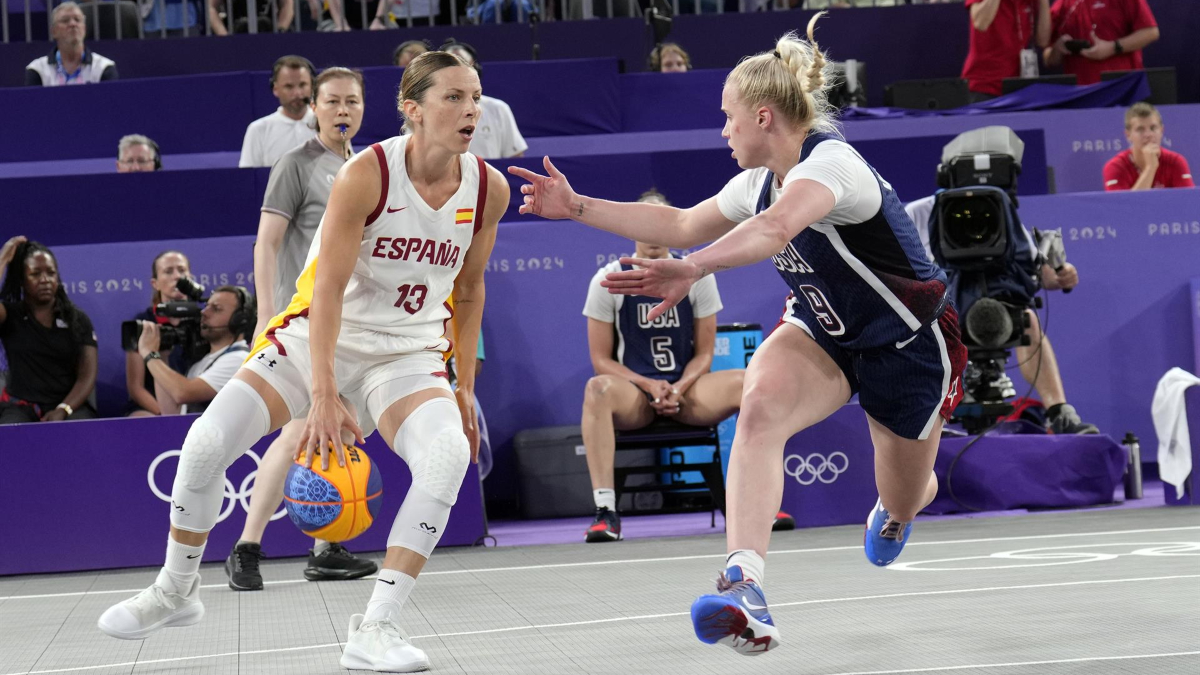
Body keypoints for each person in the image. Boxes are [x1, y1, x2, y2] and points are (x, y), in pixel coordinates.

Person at [510, 13, 967, 654]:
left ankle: (900, 510)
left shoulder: (832, 164)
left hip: (906, 346)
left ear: (762, 118)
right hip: (821, 331)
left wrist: (694, 268)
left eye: (727, 116)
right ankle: (743, 584)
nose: (722, 130)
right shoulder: (753, 183)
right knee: (757, 410)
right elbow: (682, 222)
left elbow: (776, 230)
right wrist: (578, 206)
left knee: (904, 493)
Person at [99, 50, 509, 675]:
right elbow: (325, 292)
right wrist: (321, 393)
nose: (471, 110)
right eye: (453, 97)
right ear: (412, 110)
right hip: (318, 335)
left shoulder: (488, 188)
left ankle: (376, 627)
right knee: (207, 443)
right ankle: (175, 590)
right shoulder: (366, 175)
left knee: (448, 455)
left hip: (407, 354)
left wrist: (462, 385)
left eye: (475, 97)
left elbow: (471, 290)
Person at [227, 66, 375, 592]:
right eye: (332, 101)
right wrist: (266, 316)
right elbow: (266, 243)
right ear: (314, 107)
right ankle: (247, 547)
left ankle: (326, 547)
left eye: (352, 102)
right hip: (302, 320)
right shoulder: (295, 164)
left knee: (332, 432)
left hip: (353, 327)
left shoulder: (369, 167)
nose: (342, 111)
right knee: (301, 431)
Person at [581, 190, 793, 543]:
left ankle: (761, 503)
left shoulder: (696, 274)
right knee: (596, 389)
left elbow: (704, 353)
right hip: (635, 395)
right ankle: (606, 511)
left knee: (750, 383)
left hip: (689, 390)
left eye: (659, 224)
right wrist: (649, 386)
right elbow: (601, 361)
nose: (651, 234)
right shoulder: (607, 280)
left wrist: (678, 387)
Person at [904, 196, 1098, 435]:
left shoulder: (997, 203)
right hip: (938, 309)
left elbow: (1032, 267)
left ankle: (1060, 415)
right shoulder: (918, 212)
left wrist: (1059, 275)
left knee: (1027, 319)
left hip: (997, 308)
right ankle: (925, 421)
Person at [0, 237, 98, 425]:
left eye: (51, 273)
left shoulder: (77, 319)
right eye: (35, 274)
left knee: (81, 433)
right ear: (22, 280)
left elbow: (87, 375)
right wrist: (3, 258)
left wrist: (63, 409)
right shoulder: (10, 315)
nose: (45, 280)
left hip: (70, 406)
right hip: (20, 407)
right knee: (9, 439)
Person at [135, 286, 256, 416]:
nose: (204, 312)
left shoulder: (238, 360)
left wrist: (150, 355)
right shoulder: (203, 363)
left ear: (239, 320)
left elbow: (182, 393)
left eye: (216, 309)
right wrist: (161, 357)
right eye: (206, 306)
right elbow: (171, 413)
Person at [125, 251, 195, 417]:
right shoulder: (143, 323)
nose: (177, 276)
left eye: (182, 270)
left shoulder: (205, 319)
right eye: (168, 271)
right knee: (140, 419)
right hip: (153, 408)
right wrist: (166, 416)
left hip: (196, 401)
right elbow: (136, 388)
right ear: (155, 283)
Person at [439, 41, 527, 160]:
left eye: (465, 68)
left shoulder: (498, 108)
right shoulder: (426, 110)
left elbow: (515, 158)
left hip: (489, 177)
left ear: (476, 72)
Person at [1043, 0, 1158, 86]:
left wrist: (1113, 47)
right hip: (1079, 93)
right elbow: (1048, 58)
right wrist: (1058, 49)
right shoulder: (1063, 4)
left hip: (1122, 86)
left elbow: (1150, 32)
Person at [961, 0, 1052, 101]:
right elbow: (980, 23)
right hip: (985, 84)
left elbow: (1043, 41)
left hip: (1020, 85)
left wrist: (1044, 2)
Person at [239, 56, 318, 169]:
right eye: (289, 86)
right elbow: (249, 178)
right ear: (275, 89)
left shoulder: (328, 124)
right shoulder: (258, 130)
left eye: (302, 85)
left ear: (312, 86)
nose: (297, 93)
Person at [1104, 102, 1194, 192]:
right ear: (1128, 135)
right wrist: (1150, 168)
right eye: (1140, 129)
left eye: (1153, 128)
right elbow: (1123, 205)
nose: (1148, 134)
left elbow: (1189, 202)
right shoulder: (1115, 167)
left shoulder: (1176, 162)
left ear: (1162, 130)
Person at [24, 3, 117, 87]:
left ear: (84, 28)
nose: (73, 24)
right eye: (65, 20)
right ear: (54, 31)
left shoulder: (103, 67)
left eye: (77, 20)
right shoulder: (38, 70)